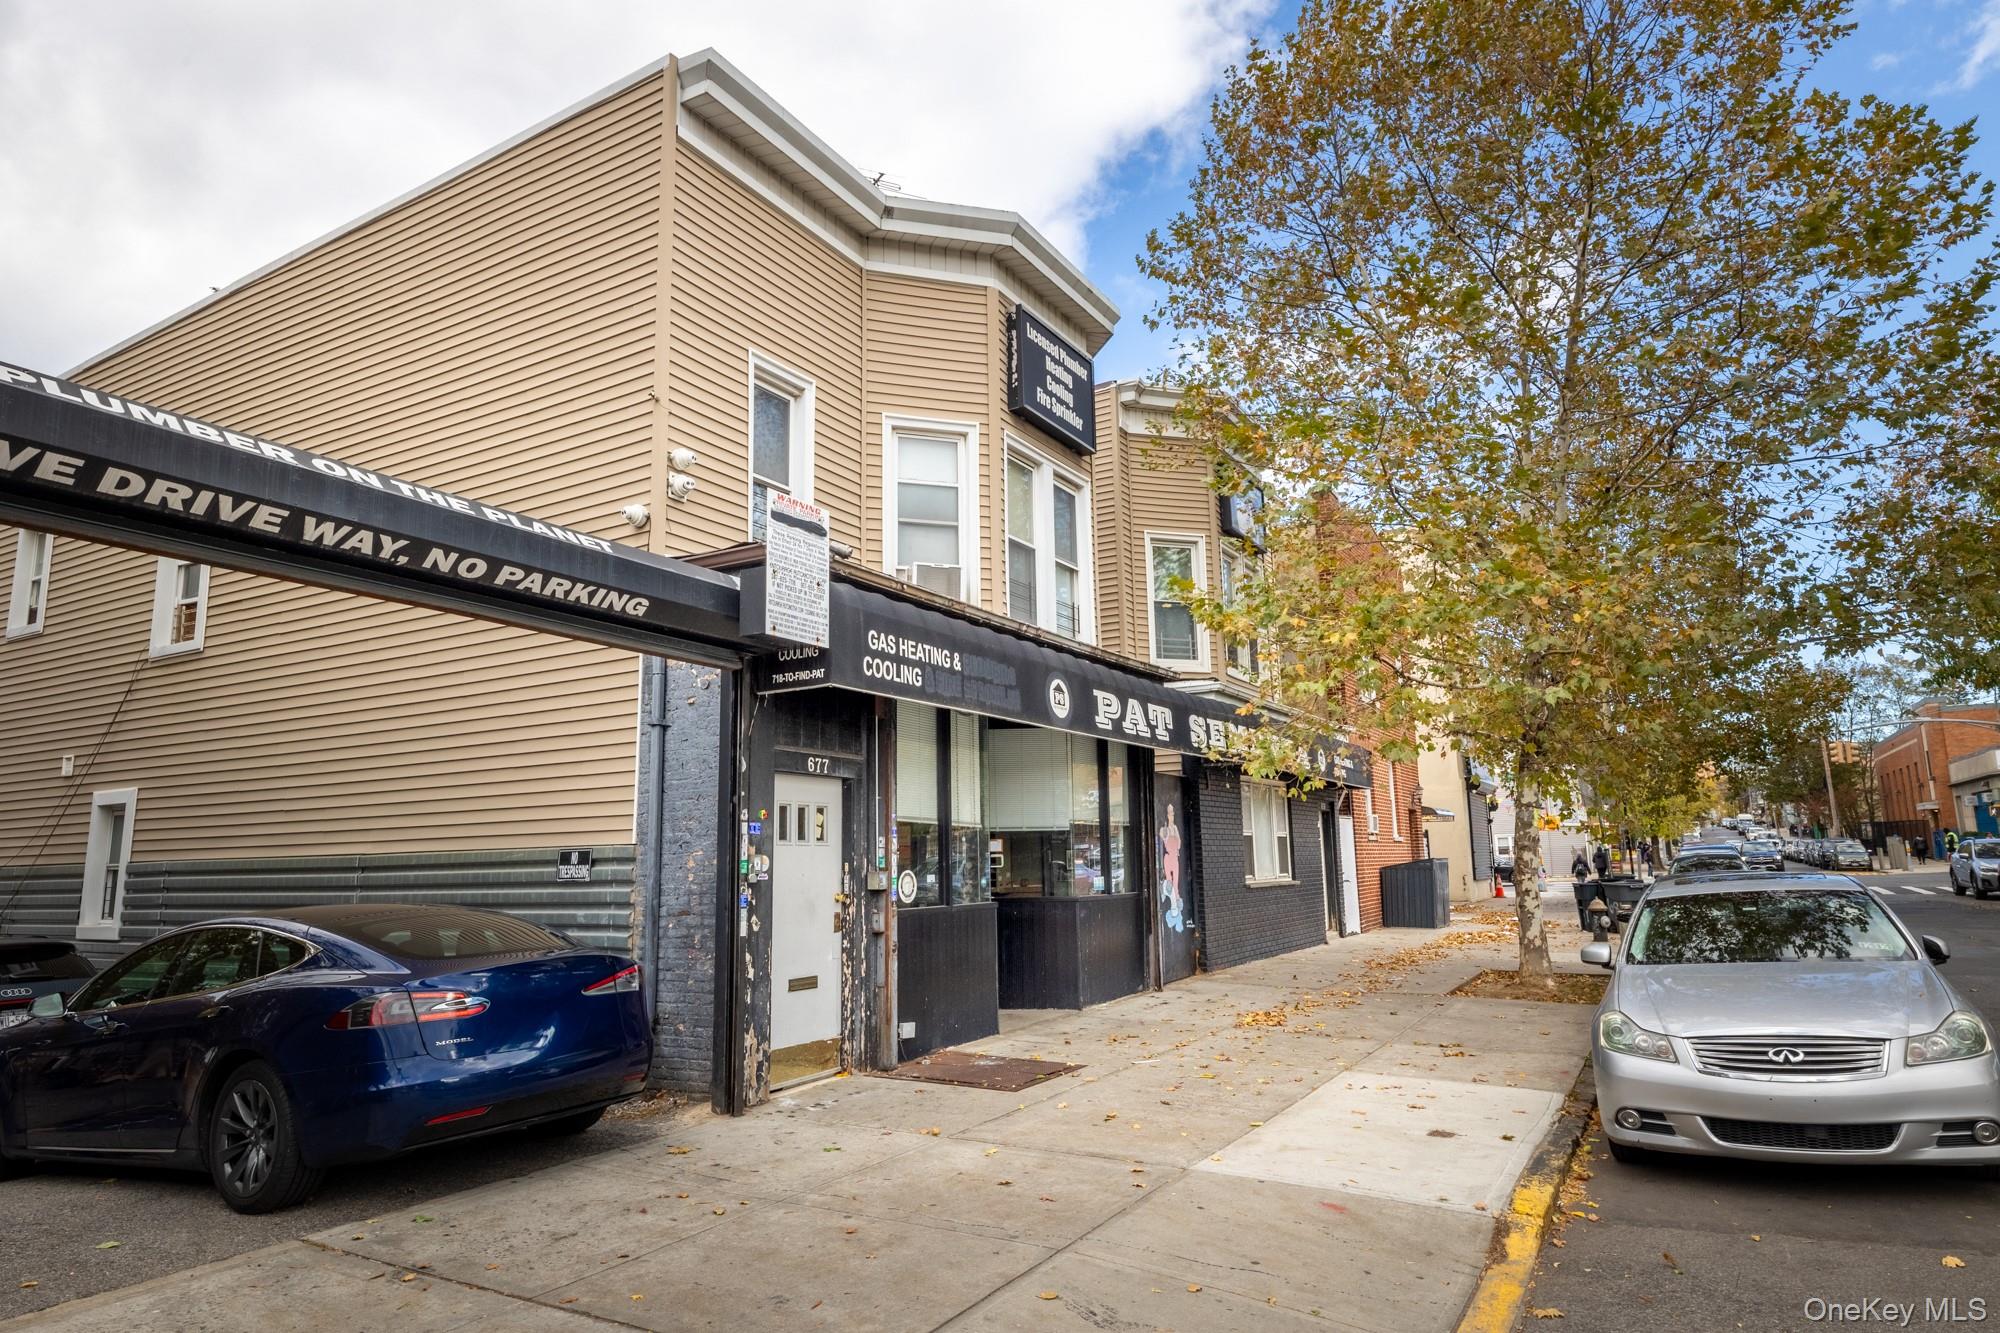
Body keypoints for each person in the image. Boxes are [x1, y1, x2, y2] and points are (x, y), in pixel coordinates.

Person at [1570, 850, 1593, 928]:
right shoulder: (1584, 860)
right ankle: (1582, 888)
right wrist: (1589, 872)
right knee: (1582, 881)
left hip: (1578, 874)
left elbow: (1573, 867)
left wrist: (1572, 872)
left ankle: (1580, 888)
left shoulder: (1575, 861)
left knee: (1579, 880)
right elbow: (1587, 866)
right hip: (1583, 873)